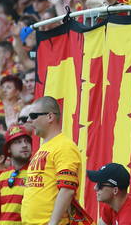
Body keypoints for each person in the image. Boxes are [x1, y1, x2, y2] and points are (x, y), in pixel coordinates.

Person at [21, 96, 87, 225]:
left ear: (50, 117)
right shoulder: (44, 148)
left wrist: (53, 223)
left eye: (33, 116)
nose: (28, 120)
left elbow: (67, 189)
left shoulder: (64, 146)